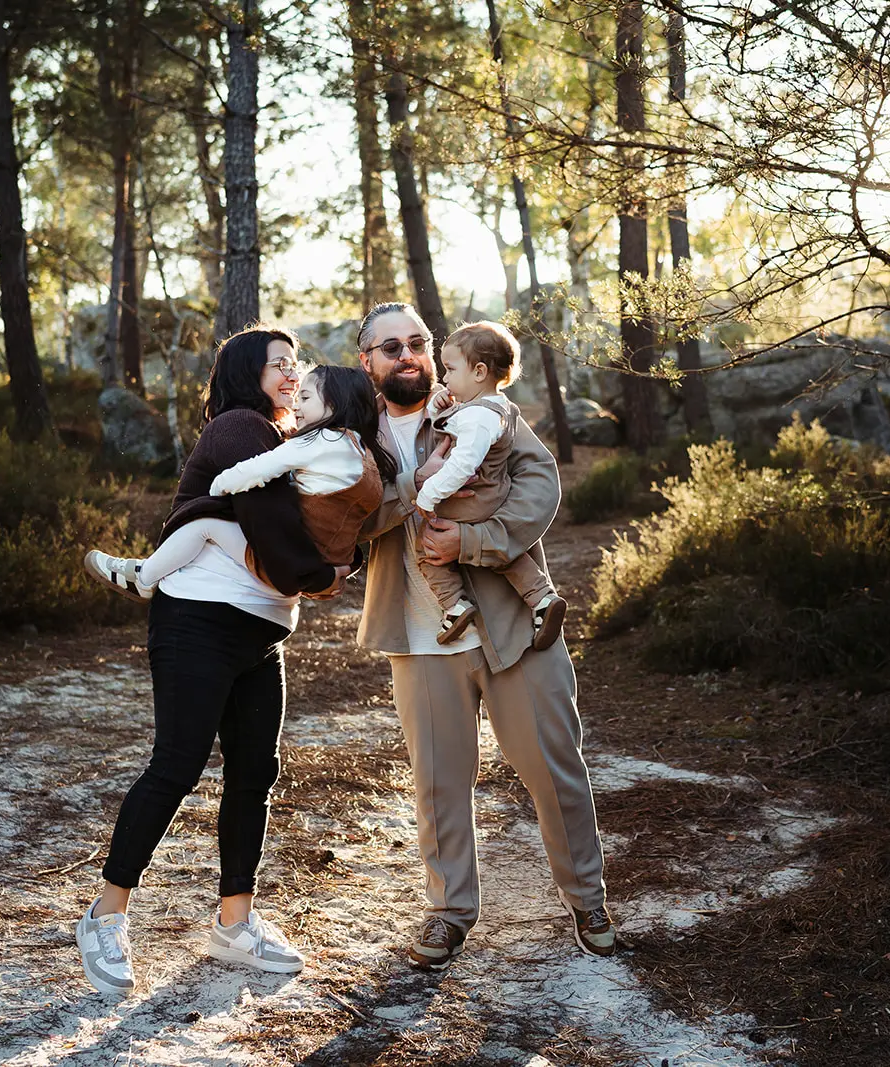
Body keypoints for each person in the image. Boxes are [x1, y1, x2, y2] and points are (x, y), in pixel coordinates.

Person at [73, 325, 351, 996]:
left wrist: (337, 555)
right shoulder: (238, 426)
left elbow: (328, 521)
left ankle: (235, 923)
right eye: (275, 364)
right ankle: (106, 914)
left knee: (256, 772)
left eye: (295, 363)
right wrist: (321, 574)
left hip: (260, 635)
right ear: (244, 374)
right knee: (177, 763)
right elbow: (278, 530)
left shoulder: (287, 444)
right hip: (198, 622)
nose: (289, 372)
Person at [354, 301, 616, 970]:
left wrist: (473, 540)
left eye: (417, 341)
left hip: (513, 628)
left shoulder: (485, 411)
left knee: (554, 768)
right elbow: (351, 520)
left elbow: (539, 486)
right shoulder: (358, 439)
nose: (407, 354)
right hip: (420, 638)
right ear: (369, 363)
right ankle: (448, 912)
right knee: (439, 785)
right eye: (391, 347)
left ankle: (587, 899)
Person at [84, 364, 396, 600]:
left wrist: (219, 486)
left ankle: (145, 576)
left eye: (304, 396)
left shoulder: (316, 440)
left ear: (334, 403)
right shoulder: (361, 448)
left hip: (295, 563)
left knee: (204, 523)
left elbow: (257, 468)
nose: (296, 405)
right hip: (332, 560)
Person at [414, 321, 566, 651]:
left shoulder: (476, 417)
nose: (445, 378)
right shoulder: (496, 407)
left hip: (473, 498)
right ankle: (541, 598)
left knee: (425, 548)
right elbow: (457, 424)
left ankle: (454, 605)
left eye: (451, 369)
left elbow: (462, 463)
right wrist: (441, 407)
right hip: (494, 496)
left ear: (479, 371)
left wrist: (428, 494)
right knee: (506, 556)